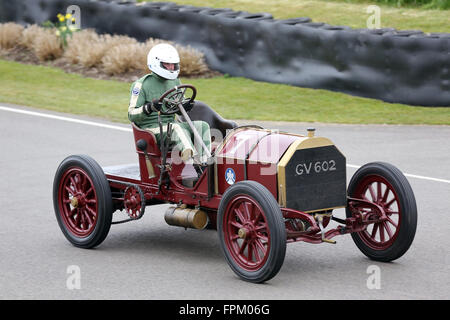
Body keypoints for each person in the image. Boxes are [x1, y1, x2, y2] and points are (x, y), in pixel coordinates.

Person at [128, 43, 211, 164]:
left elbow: (176, 104)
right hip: (150, 130)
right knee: (175, 127)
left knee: (202, 126)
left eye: (173, 64)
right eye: (167, 64)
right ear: (156, 62)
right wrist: (149, 108)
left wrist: (185, 105)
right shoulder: (141, 84)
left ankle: (206, 162)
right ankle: (192, 161)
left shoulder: (175, 81)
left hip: (170, 126)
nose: (171, 68)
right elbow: (131, 114)